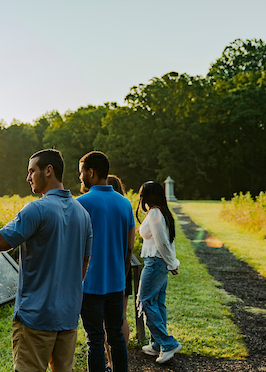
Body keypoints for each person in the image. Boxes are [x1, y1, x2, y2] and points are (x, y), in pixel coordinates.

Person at [0, 149, 93, 372]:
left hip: (36, 318)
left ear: (48, 171)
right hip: (68, 317)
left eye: (32, 171)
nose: (28, 178)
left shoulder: (37, 209)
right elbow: (84, 262)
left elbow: (0, 241)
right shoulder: (82, 213)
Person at [77, 151, 136, 372]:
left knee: (94, 339)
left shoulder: (81, 203)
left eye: (81, 172)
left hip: (89, 284)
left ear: (91, 172)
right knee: (116, 335)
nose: (80, 178)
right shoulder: (124, 203)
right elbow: (129, 247)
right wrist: (121, 274)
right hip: (116, 284)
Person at [135, 181, 181, 364]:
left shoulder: (155, 212)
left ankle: (168, 344)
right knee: (157, 302)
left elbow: (163, 242)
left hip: (155, 263)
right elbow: (169, 241)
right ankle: (156, 344)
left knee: (145, 301)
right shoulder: (162, 212)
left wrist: (172, 263)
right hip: (158, 263)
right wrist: (171, 262)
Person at [103, 175, 132, 367]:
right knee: (122, 315)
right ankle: (121, 354)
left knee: (104, 321)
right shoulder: (124, 207)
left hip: (105, 270)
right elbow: (129, 246)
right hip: (123, 268)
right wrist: (126, 269)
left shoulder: (103, 209)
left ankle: (110, 359)